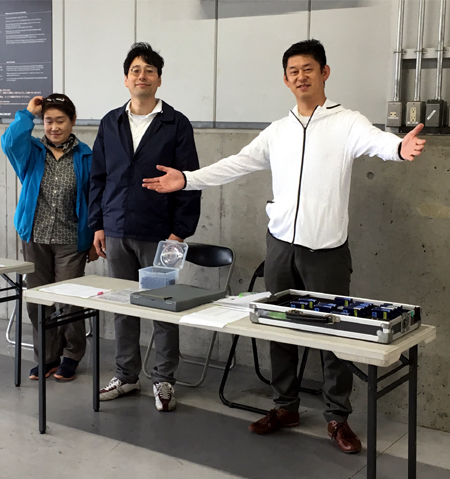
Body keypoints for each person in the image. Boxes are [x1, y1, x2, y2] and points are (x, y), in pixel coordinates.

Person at [143, 39, 426, 451]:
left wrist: (400, 147)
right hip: (280, 247)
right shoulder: (278, 131)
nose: (301, 77)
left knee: (335, 334)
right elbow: (236, 164)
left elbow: (379, 142)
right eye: (293, 71)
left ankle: (337, 416)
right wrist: (187, 179)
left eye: (308, 69)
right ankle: (285, 405)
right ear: (285, 80)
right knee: (279, 327)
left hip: (326, 250)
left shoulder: (347, 123)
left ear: (324, 73)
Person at [88, 42, 202, 411]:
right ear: (126, 79)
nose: (142, 76)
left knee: (163, 309)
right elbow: (98, 178)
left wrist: (179, 232)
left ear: (159, 80)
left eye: (149, 70)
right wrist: (98, 225)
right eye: (135, 70)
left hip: (162, 234)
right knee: (123, 307)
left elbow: (189, 180)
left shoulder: (176, 124)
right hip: (117, 230)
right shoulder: (111, 123)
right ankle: (126, 376)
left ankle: (164, 379)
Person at [1, 93, 98, 382]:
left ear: (73, 121)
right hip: (35, 237)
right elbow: (8, 142)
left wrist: (95, 235)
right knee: (37, 301)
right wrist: (27, 114)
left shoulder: (86, 156)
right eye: (48, 121)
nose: (54, 127)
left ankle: (72, 355)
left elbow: (95, 198)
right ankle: (47, 357)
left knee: (69, 301)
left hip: (71, 239)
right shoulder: (31, 151)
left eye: (60, 121)